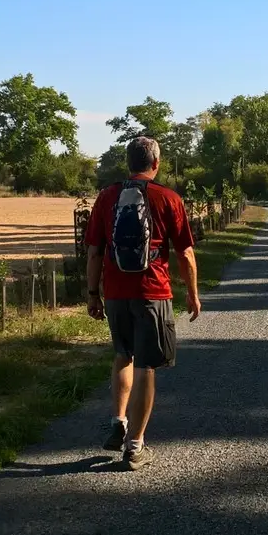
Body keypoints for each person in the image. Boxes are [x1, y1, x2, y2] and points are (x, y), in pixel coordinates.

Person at [85, 136, 200, 470]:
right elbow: (186, 254)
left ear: (128, 162)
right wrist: (192, 293)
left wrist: (93, 293)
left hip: (116, 293)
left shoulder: (107, 197)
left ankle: (117, 422)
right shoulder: (168, 198)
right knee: (146, 365)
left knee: (123, 355)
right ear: (156, 163)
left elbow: (94, 251)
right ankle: (135, 447)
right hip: (153, 293)